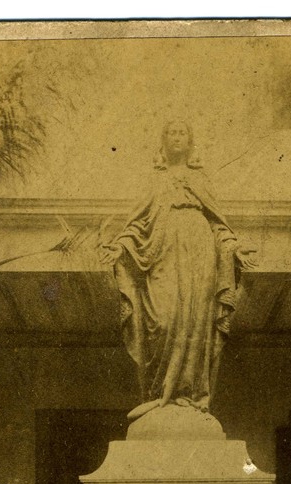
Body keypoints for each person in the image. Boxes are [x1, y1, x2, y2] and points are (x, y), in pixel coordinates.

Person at [100, 121, 257, 420]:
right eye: (171, 133)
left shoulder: (201, 179)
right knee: (163, 320)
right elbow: (137, 223)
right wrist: (120, 246)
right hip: (161, 254)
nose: (176, 137)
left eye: (182, 132)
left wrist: (234, 248)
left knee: (196, 323)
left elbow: (218, 225)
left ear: (190, 141)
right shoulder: (153, 180)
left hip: (200, 257)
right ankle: (159, 394)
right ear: (163, 141)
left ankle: (192, 396)